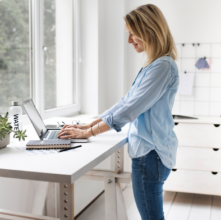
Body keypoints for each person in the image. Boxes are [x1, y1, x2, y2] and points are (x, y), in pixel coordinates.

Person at [57, 4, 178, 220]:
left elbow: (130, 109)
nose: (130, 40)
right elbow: (126, 101)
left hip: (151, 154)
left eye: (132, 34)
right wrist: (89, 124)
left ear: (148, 30)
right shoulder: (152, 66)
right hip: (150, 153)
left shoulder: (162, 67)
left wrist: (88, 134)